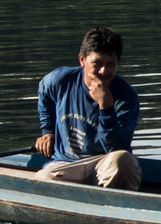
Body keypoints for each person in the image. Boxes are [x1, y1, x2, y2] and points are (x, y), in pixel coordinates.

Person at [34, 26, 142, 189]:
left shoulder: (126, 97)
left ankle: (110, 199)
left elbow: (117, 147)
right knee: (44, 179)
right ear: (82, 60)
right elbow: (45, 93)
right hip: (66, 164)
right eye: (96, 63)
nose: (103, 71)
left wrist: (106, 106)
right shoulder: (61, 80)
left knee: (124, 161)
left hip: (103, 163)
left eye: (110, 64)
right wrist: (48, 131)